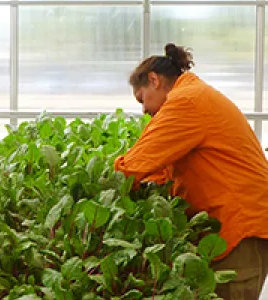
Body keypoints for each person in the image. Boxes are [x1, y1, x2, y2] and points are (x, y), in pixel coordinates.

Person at [114, 43, 268, 299]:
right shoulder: (195, 96)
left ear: (154, 80)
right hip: (240, 224)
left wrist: (108, 182)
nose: (144, 110)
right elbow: (164, 171)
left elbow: (132, 167)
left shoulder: (186, 101)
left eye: (142, 99)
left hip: (240, 226)